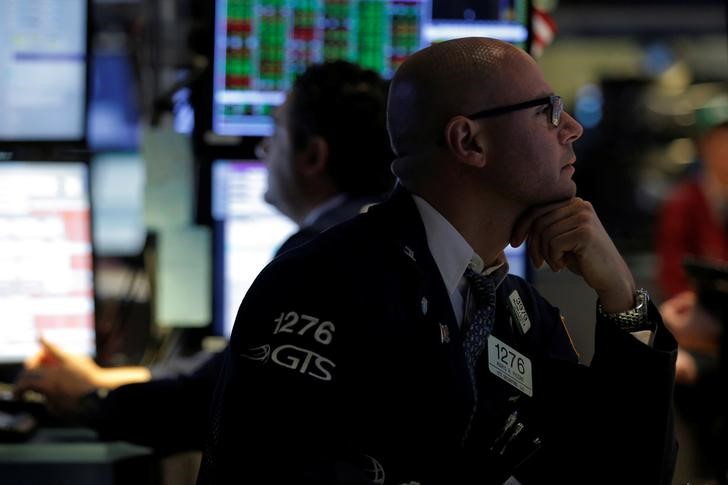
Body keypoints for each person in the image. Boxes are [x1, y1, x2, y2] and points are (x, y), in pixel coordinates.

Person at [198, 37, 677, 485]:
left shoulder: (520, 312)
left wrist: (621, 298)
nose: (572, 129)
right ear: (468, 142)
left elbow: (625, 472)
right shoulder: (321, 284)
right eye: (547, 112)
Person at [13, 60, 395, 453]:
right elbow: (227, 371)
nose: (263, 149)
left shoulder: (316, 257)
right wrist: (104, 379)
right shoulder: (387, 235)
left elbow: (213, 401)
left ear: (313, 156)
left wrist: (89, 404)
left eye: (275, 132)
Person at [656, 120, 728, 479]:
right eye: (720, 144)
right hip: (696, 322)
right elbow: (672, 270)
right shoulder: (684, 201)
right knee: (686, 377)